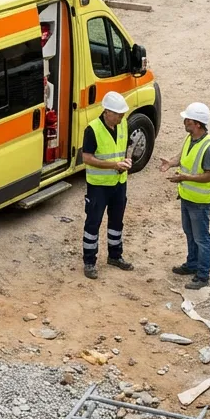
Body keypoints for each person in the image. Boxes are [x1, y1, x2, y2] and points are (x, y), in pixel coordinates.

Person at [159, 101, 210, 290]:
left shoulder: (209, 147)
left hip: (201, 201)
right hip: (187, 197)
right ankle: (192, 263)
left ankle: (203, 275)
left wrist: (186, 177)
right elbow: (183, 155)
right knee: (190, 233)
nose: (184, 121)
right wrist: (171, 162)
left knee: (201, 238)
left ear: (198, 124)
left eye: (188, 119)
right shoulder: (191, 138)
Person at [80, 91, 135, 279]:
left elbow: (122, 148)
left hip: (119, 183)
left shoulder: (123, 124)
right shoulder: (93, 129)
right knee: (93, 223)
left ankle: (115, 255)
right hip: (99, 186)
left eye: (122, 114)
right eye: (118, 114)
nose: (121, 117)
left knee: (116, 222)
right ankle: (89, 262)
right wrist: (114, 165)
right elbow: (86, 157)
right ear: (107, 112)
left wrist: (126, 161)